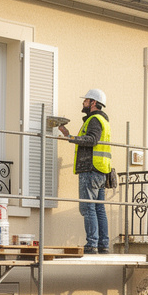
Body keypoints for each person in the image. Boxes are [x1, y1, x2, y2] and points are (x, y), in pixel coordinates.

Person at [57, 88, 112, 253]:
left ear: (93, 103)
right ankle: (102, 245)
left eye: (86, 100)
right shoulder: (103, 120)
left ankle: (92, 244)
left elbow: (92, 140)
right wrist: (68, 135)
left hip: (90, 169)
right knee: (99, 209)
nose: (83, 103)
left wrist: (72, 138)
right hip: (101, 170)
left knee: (88, 208)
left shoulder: (94, 119)